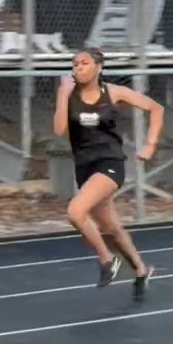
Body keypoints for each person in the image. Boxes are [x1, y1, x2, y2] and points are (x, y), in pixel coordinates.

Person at [54, 47, 162, 290]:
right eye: (75, 65)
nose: (78, 68)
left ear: (98, 68)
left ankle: (107, 260)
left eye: (84, 63)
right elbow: (60, 129)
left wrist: (150, 144)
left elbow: (156, 109)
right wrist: (62, 96)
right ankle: (141, 270)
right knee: (110, 227)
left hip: (110, 163)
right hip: (84, 167)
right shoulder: (68, 93)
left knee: (75, 211)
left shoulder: (114, 92)